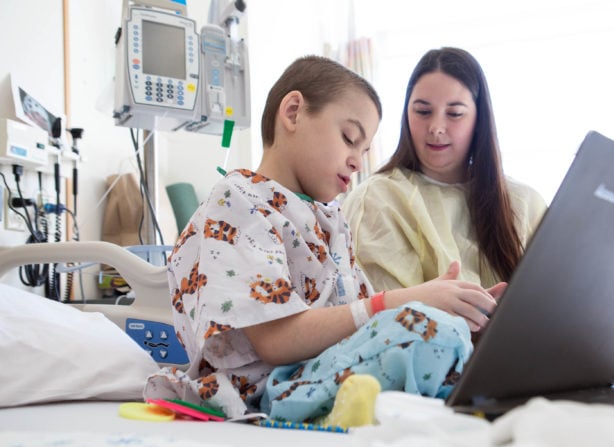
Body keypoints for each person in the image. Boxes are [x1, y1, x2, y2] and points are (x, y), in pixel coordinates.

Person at [144, 55, 505, 426]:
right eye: (350, 138)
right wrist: (402, 301)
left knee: (451, 334)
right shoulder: (238, 203)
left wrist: (457, 306)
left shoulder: (330, 222)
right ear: (294, 112)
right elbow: (276, 341)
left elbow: (359, 316)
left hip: (323, 369)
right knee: (431, 337)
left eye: (364, 152)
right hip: (269, 388)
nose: (357, 162)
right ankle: (351, 410)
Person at [344, 47, 547, 293]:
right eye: (423, 111)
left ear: (479, 120)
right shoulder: (377, 200)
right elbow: (388, 320)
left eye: (455, 114)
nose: (436, 127)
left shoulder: (525, 203)